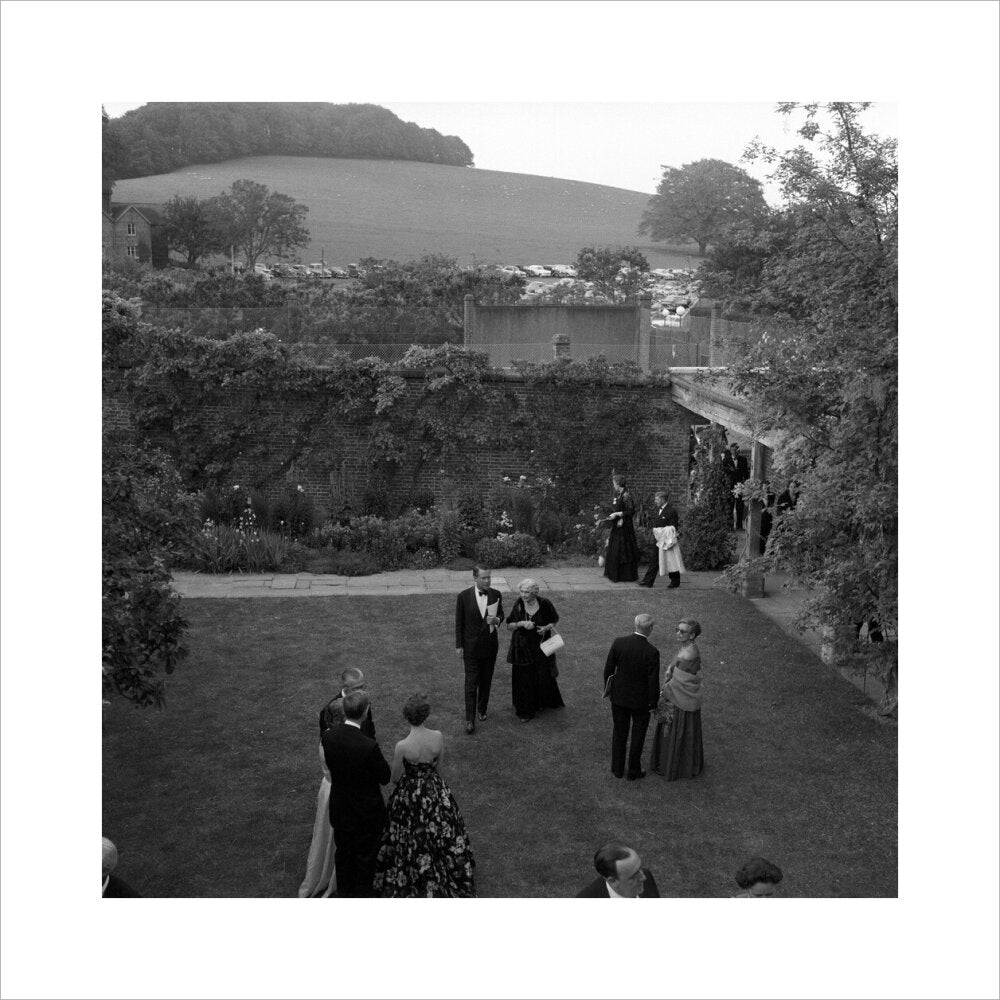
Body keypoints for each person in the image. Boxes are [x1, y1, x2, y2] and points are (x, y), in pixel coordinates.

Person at [372, 694, 476, 897]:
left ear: (406, 717)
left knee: (407, 833)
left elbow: (394, 777)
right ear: (425, 715)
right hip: (434, 788)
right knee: (442, 829)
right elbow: (440, 767)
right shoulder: (437, 736)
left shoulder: (402, 746)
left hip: (409, 793)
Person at [321, 689, 391, 898]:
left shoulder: (329, 738)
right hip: (366, 813)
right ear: (364, 712)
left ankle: (345, 894)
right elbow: (385, 776)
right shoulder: (368, 746)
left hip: (341, 807)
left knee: (343, 854)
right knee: (366, 858)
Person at [604, 614, 660, 780]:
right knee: (638, 735)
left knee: (619, 732)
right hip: (641, 701)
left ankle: (618, 769)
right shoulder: (652, 652)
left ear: (635, 625)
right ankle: (634, 771)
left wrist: (608, 689)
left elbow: (608, 669)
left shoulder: (619, 642)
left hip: (619, 697)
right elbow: (653, 680)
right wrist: (653, 703)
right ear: (650, 629)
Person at [650, 617, 704, 780]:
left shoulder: (689, 652)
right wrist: (670, 668)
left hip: (680, 699)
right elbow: (676, 665)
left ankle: (673, 764)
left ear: (692, 635)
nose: (678, 633)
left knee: (674, 728)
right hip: (678, 695)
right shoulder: (687, 647)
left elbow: (679, 680)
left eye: (682, 631)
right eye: (677, 630)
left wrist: (665, 688)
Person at [455, 564, 505, 734]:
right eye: (483, 578)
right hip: (470, 649)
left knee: (486, 681)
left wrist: (497, 620)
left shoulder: (496, 594)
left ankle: (482, 710)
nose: (487, 580)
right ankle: (470, 719)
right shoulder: (463, 596)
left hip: (490, 647)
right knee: (470, 684)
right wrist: (459, 645)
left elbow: (502, 614)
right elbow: (459, 622)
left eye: (489, 577)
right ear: (475, 578)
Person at [505, 578, 564, 722]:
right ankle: (525, 711)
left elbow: (554, 620)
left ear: (534, 593)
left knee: (542, 676)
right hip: (522, 649)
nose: (523, 595)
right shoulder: (519, 604)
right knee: (524, 679)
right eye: (522, 591)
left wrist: (545, 628)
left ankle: (542, 703)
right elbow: (509, 625)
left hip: (541, 647)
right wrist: (521, 623)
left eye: (527, 592)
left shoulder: (544, 603)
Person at [298, 700, 340, 898]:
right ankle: (332, 873)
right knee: (332, 833)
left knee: (325, 832)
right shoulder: (334, 742)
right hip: (337, 789)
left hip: (328, 788)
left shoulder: (325, 738)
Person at [576, 842, 661, 898]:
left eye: (640, 867)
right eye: (633, 875)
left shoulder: (646, 876)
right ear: (613, 881)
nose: (643, 877)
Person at [318, 666, 375, 741]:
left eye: (362, 687)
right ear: (345, 687)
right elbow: (326, 739)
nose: (361, 691)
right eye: (356, 688)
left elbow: (369, 725)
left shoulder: (364, 699)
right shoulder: (329, 710)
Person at [603, 474, 639, 583]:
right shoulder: (618, 494)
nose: (613, 484)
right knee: (615, 548)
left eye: (614, 482)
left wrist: (618, 514)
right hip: (617, 525)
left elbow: (631, 511)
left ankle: (624, 576)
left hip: (625, 528)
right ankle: (613, 573)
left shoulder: (627, 495)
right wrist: (613, 515)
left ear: (618, 483)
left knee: (623, 549)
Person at [729, 443, 750, 529]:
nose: (734, 452)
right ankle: (730, 525)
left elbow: (746, 473)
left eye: (736, 450)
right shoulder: (726, 460)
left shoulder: (743, 460)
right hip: (729, 487)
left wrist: (745, 485)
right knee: (730, 506)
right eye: (732, 450)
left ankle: (739, 525)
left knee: (739, 507)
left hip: (739, 486)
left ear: (738, 451)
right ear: (730, 450)